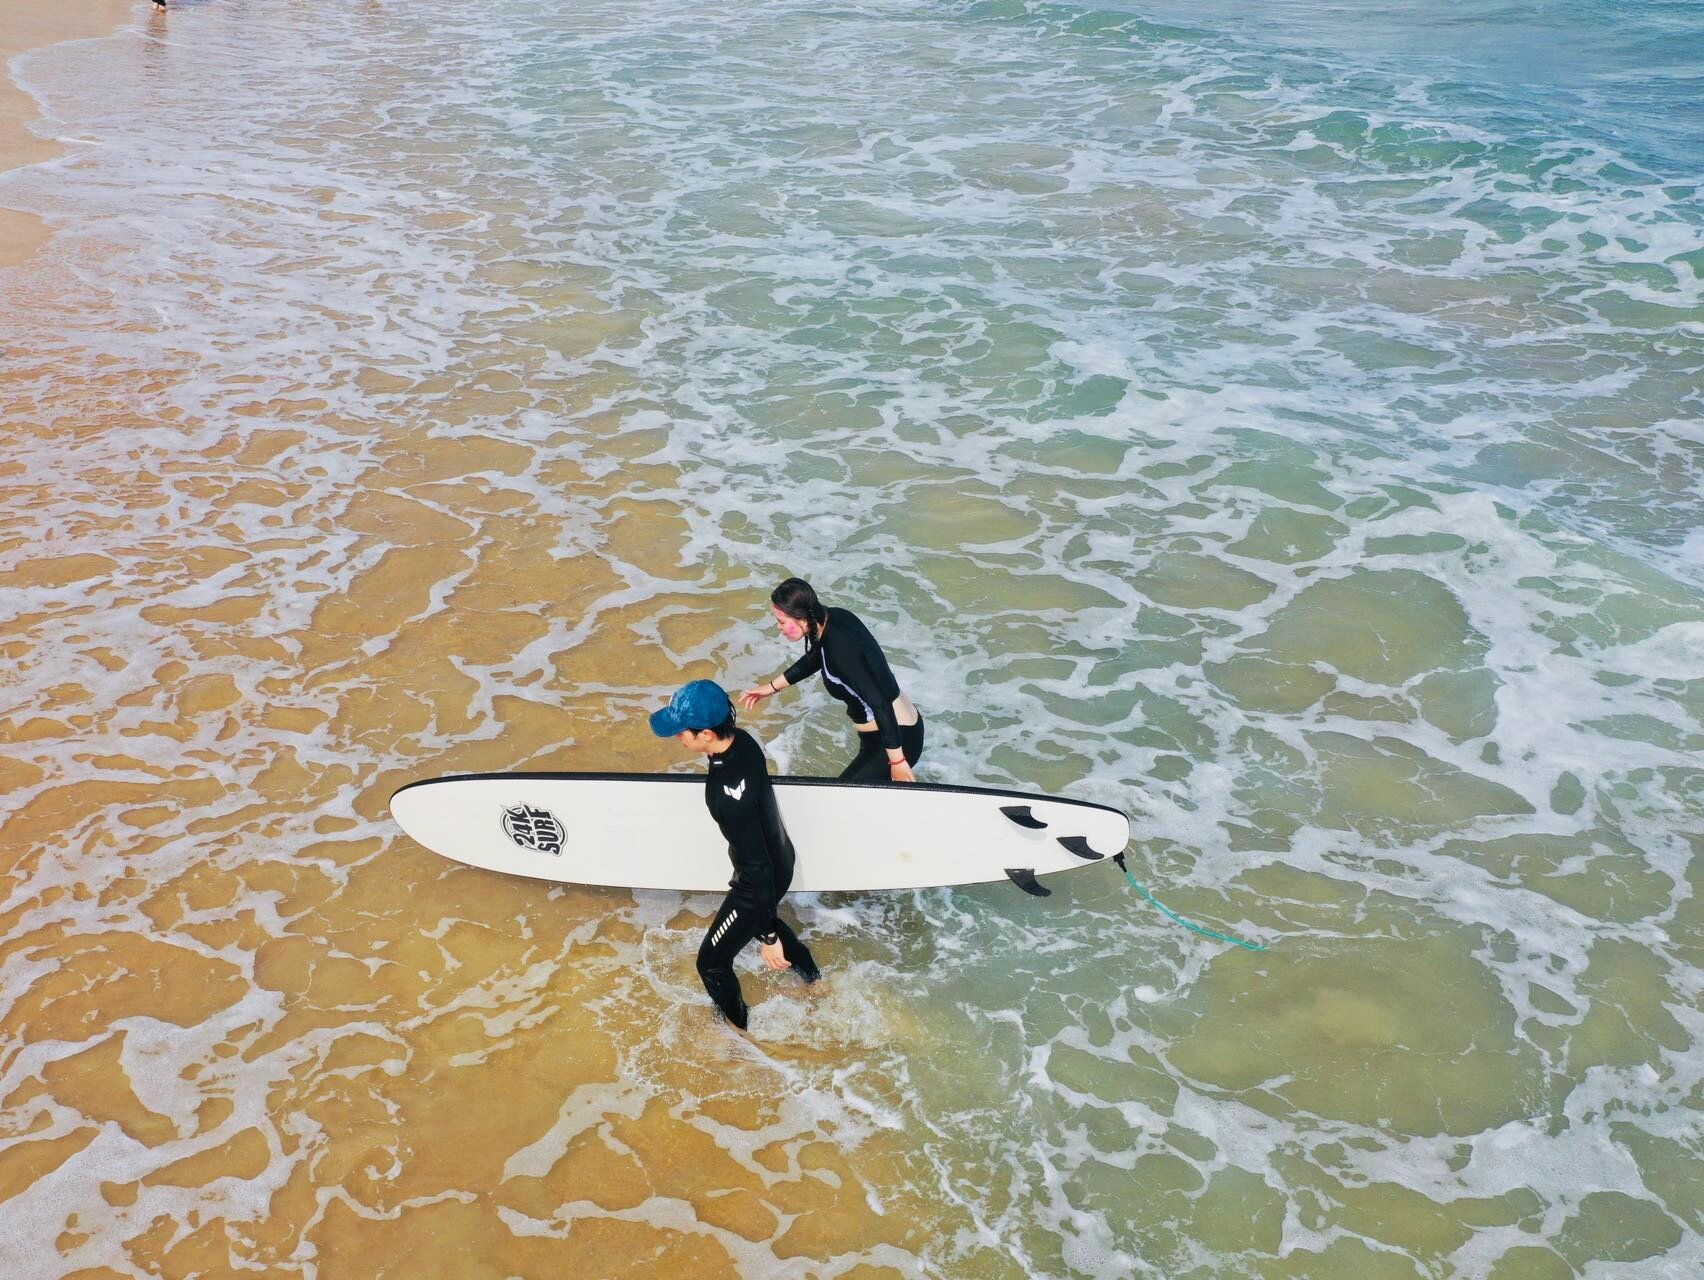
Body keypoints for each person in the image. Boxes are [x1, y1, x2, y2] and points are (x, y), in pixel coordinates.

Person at [651, 678, 819, 1030]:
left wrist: (769, 938)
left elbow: (755, 869)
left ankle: (738, 1029)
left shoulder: (724, 795)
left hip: (758, 879)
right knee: (757, 918)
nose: (678, 737)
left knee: (711, 963)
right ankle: (814, 980)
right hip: (781, 859)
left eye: (683, 732)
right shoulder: (743, 741)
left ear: (707, 734)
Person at [740, 577, 924, 784]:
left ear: (801, 618)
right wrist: (772, 687)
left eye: (781, 621)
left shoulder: (842, 653)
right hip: (895, 729)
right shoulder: (833, 618)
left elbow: (879, 703)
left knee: (843, 796)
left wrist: (897, 762)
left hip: (895, 737)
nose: (778, 627)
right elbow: (818, 658)